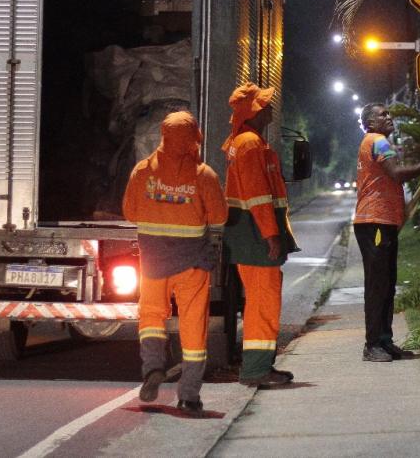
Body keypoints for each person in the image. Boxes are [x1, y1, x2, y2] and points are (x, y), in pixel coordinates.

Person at [122, 110, 227, 416]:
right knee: (193, 326)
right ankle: (188, 396)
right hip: (193, 264)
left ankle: (153, 367)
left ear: (163, 137)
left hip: (153, 262)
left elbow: (130, 213)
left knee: (151, 316)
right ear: (194, 139)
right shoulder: (204, 175)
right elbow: (220, 217)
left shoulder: (142, 171)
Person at [354, 102, 420, 362]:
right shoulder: (377, 141)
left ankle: (385, 341)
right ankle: (372, 345)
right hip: (375, 222)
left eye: (389, 113)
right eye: (383, 114)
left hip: (382, 221)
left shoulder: (375, 142)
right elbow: (396, 174)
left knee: (386, 284)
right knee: (377, 286)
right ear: (371, 123)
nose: (389, 116)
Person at [222, 82, 299, 386]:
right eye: (265, 105)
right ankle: (256, 370)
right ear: (253, 112)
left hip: (251, 235)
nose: (270, 110)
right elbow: (257, 196)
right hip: (255, 237)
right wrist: (271, 234)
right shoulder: (250, 145)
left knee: (260, 302)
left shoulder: (245, 142)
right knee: (263, 303)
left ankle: (260, 366)